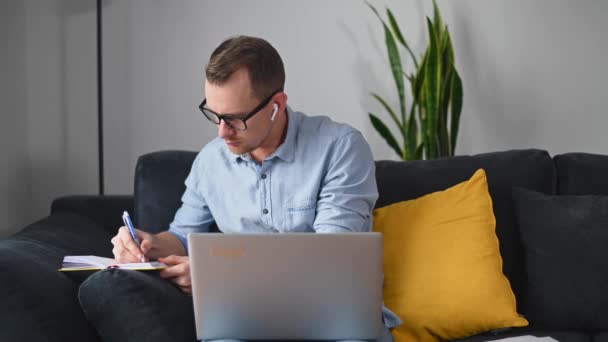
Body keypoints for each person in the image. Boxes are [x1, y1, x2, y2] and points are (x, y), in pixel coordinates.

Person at [78, 35, 401, 342]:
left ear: (276, 105)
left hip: (336, 322)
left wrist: (220, 282)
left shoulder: (340, 148)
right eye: (214, 115)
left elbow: (330, 262)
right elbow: (181, 238)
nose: (222, 133)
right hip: (243, 323)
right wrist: (146, 244)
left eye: (234, 119)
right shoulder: (210, 162)